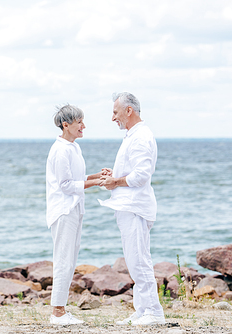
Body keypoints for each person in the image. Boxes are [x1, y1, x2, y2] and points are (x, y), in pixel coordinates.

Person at [99, 92, 165, 326]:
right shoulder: (132, 135)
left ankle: (154, 313)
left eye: (115, 112)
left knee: (139, 260)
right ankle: (142, 310)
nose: (113, 118)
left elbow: (141, 175)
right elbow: (133, 171)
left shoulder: (140, 136)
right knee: (134, 259)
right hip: (128, 206)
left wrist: (116, 182)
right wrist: (114, 176)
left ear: (129, 110)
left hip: (135, 207)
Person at [46, 104, 104, 325]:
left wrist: (97, 175)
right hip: (63, 210)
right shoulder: (60, 150)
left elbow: (77, 177)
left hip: (75, 209)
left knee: (70, 260)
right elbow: (67, 185)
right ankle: (57, 313)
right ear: (66, 125)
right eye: (79, 122)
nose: (84, 126)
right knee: (63, 259)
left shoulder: (73, 148)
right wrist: (97, 183)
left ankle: (61, 310)